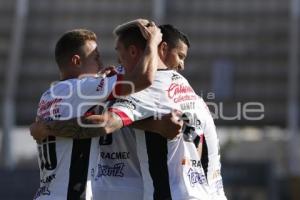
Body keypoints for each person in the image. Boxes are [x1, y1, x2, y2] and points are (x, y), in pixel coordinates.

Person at [31, 22, 227, 199]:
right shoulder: (185, 91)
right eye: (96, 58)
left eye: (117, 52)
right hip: (138, 190)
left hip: (61, 192)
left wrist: (43, 128)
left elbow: (111, 118)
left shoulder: (48, 95)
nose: (104, 64)